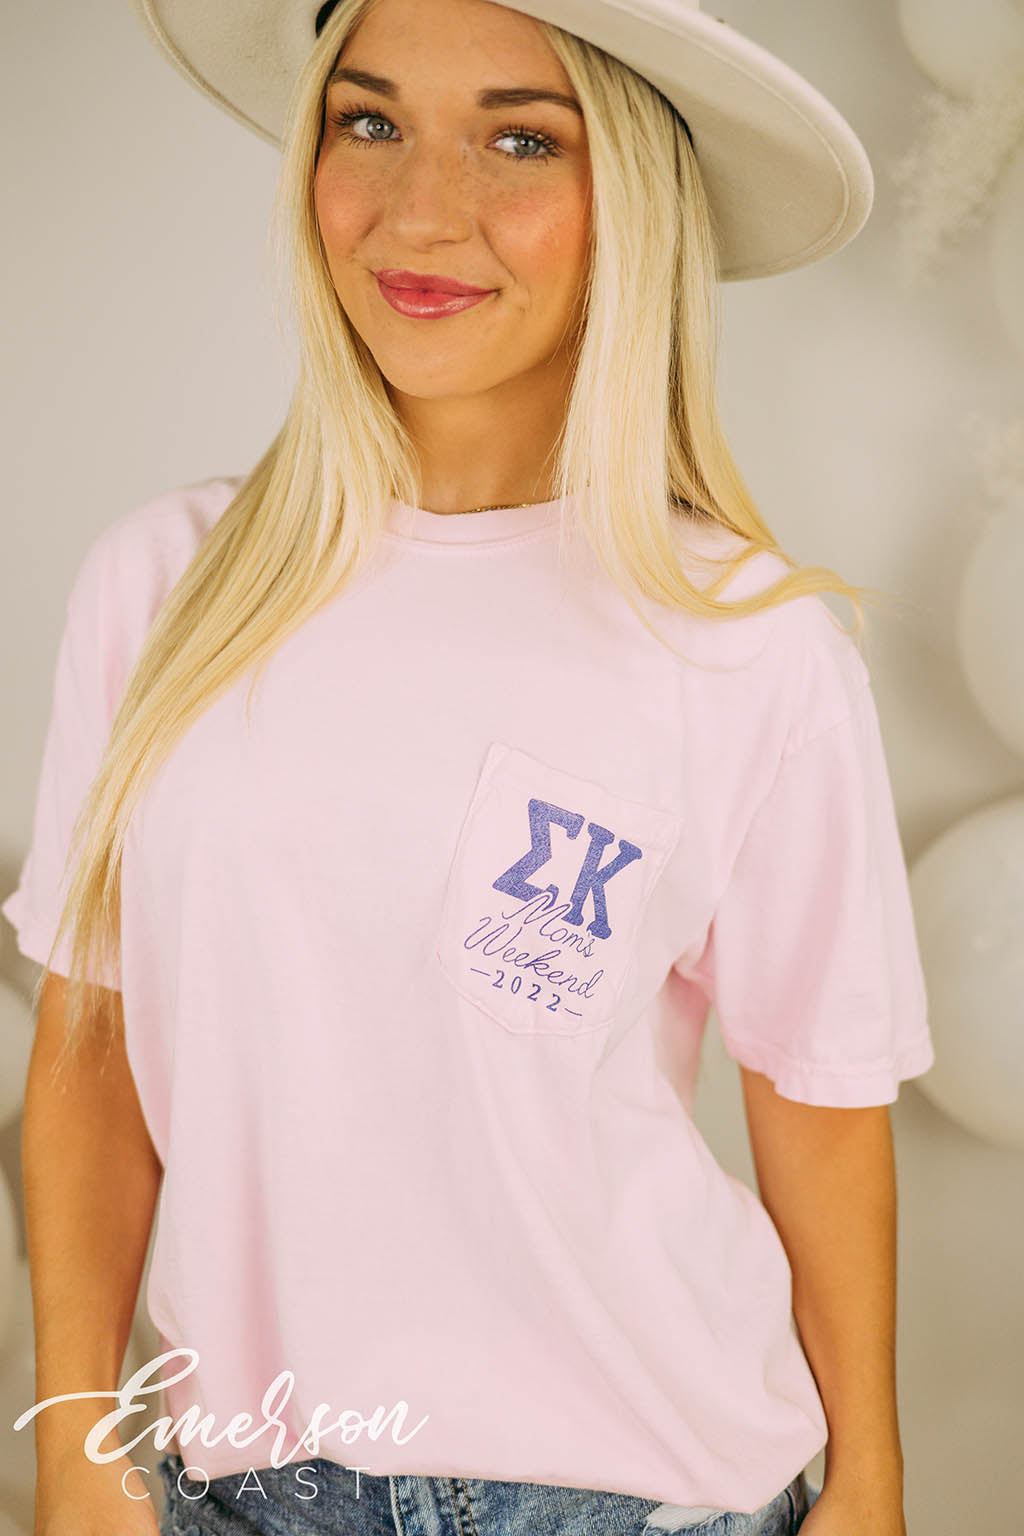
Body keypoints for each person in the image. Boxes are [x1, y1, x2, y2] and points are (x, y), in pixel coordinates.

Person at [4, 1, 934, 1533]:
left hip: (643, 1494)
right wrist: (73, 1445)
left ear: (631, 198)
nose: (422, 211)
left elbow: (818, 1101)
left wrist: (874, 1483)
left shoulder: (747, 645)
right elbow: (89, 1053)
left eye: (521, 141)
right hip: (251, 1489)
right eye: (369, 122)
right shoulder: (165, 588)